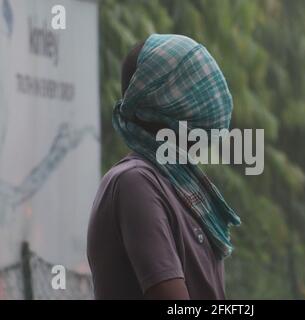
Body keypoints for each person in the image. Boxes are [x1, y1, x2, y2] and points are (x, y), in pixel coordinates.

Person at [87, 34, 240, 300]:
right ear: (160, 100)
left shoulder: (185, 189)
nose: (212, 99)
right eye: (195, 88)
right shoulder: (136, 181)